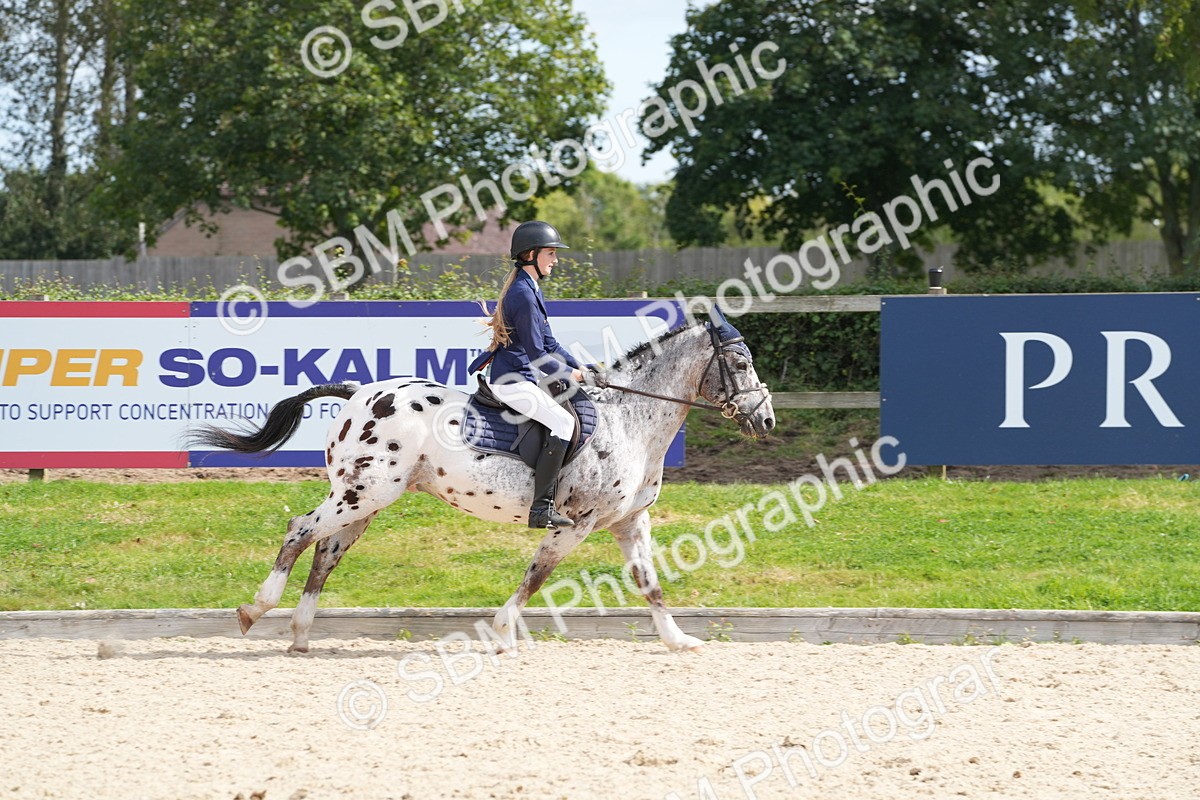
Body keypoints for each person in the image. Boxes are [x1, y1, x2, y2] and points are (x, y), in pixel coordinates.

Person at [470, 220, 586, 530]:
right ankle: (541, 508)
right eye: (551, 253)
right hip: (512, 381)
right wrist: (569, 374)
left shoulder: (529, 288)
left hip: (521, 376)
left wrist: (583, 367)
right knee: (563, 422)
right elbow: (538, 355)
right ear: (531, 254)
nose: (555, 260)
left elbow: (550, 343)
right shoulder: (522, 293)